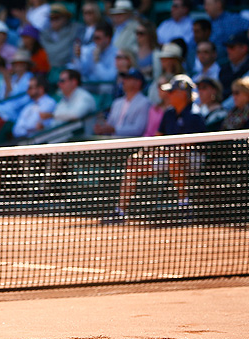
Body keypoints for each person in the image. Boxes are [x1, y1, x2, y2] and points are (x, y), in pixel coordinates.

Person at [104, 74, 206, 224]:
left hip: (193, 159)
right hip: (169, 156)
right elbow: (158, 139)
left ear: (182, 94)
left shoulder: (195, 115)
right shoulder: (169, 113)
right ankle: (120, 212)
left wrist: (159, 152)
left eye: (171, 92)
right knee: (133, 162)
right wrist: (145, 153)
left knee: (175, 159)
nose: (167, 95)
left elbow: (186, 147)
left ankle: (184, 205)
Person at [93, 68, 151, 137]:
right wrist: (102, 129)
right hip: (112, 142)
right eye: (124, 78)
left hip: (131, 144)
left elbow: (138, 130)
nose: (123, 81)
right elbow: (109, 125)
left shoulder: (144, 103)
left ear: (138, 83)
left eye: (128, 79)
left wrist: (115, 129)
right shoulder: (117, 102)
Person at [218, 33, 249, 109]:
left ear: (244, 48)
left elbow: (242, 94)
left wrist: (221, 107)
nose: (228, 51)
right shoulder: (224, 69)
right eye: (227, 47)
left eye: (232, 47)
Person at [70, 22, 117, 90]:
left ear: (108, 39)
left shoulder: (116, 54)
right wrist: (78, 58)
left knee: (106, 87)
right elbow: (83, 72)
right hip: (90, 86)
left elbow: (108, 78)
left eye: (98, 38)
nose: (95, 41)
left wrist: (97, 62)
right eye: (94, 38)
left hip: (106, 89)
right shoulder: (91, 49)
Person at [11, 74, 56, 140]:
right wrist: (27, 130)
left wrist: (26, 128)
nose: (28, 91)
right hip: (25, 140)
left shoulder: (50, 103)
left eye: (30, 88)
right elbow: (16, 129)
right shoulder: (28, 106)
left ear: (41, 89)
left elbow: (36, 125)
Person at [40, 3, 83, 72]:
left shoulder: (75, 29)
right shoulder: (44, 34)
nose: (53, 21)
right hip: (51, 71)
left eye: (56, 18)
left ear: (65, 18)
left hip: (68, 69)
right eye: (51, 19)